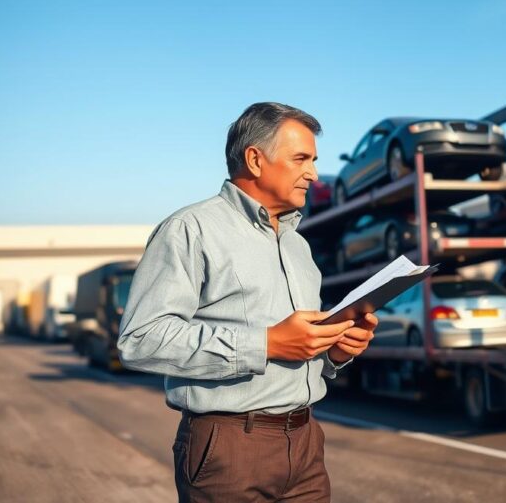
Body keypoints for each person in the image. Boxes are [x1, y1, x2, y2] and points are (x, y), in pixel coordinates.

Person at [118, 102, 377, 502]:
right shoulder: (190, 231)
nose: (312, 172)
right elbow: (140, 339)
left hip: (306, 444)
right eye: (301, 158)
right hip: (228, 450)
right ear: (255, 159)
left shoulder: (298, 246)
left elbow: (303, 351)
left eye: (314, 160)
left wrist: (337, 352)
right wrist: (266, 343)